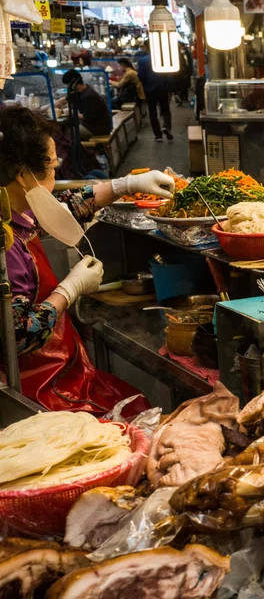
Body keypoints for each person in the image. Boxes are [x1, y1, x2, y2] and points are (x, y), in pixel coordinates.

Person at [0, 106, 176, 414]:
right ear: (22, 174)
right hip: (33, 388)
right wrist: (69, 290)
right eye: (53, 167)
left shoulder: (18, 209)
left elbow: (64, 210)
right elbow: (15, 336)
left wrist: (125, 185)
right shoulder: (5, 241)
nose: (56, 173)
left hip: (61, 368)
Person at [56, 69, 111, 139]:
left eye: (68, 84)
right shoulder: (82, 91)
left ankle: (80, 149)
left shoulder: (89, 95)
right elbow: (65, 100)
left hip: (97, 128)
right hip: (92, 125)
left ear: (74, 83)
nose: (68, 88)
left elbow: (87, 117)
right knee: (67, 127)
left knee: (68, 132)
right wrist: (49, 106)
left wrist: (73, 112)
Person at [138, 47, 174, 142]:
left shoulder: (142, 61)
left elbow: (141, 76)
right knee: (165, 109)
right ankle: (167, 127)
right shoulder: (163, 59)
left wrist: (145, 84)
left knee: (152, 111)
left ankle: (158, 135)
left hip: (149, 89)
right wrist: (169, 88)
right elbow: (169, 75)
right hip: (162, 88)